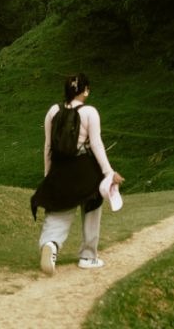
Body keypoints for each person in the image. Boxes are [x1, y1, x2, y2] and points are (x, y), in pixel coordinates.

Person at [30, 73, 124, 275]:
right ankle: (88, 256)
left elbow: (47, 146)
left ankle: (51, 244)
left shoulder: (53, 111)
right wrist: (109, 172)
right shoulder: (90, 112)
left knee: (59, 209)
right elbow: (97, 144)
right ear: (86, 90)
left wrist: (49, 176)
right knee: (92, 205)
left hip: (60, 169)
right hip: (86, 168)